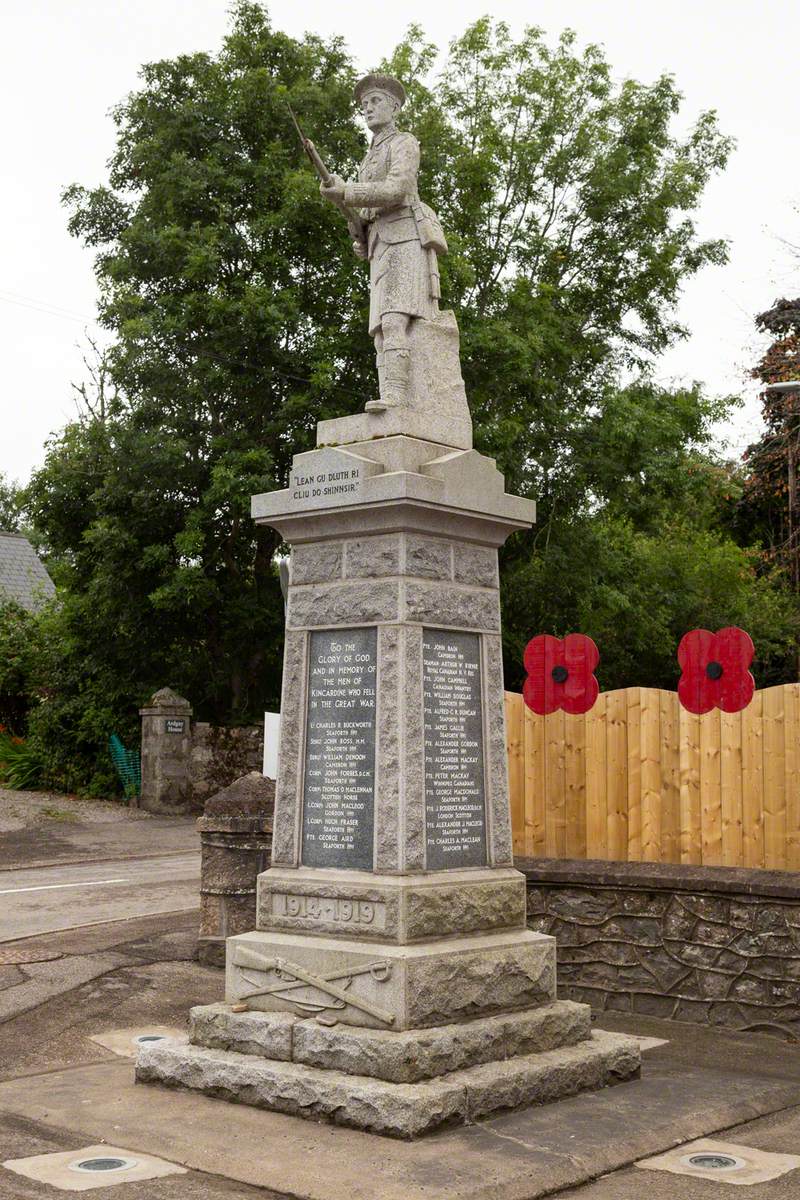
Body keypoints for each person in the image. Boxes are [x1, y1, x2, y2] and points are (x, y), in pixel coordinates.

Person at [319, 73, 447, 411]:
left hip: (406, 237)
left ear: (394, 106)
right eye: (364, 104)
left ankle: (396, 397)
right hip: (380, 245)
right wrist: (359, 231)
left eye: (375, 101)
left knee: (393, 321)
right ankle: (391, 398)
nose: (368, 109)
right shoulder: (369, 156)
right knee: (380, 332)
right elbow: (368, 210)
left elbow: (396, 190)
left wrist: (347, 190)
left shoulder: (404, 142)